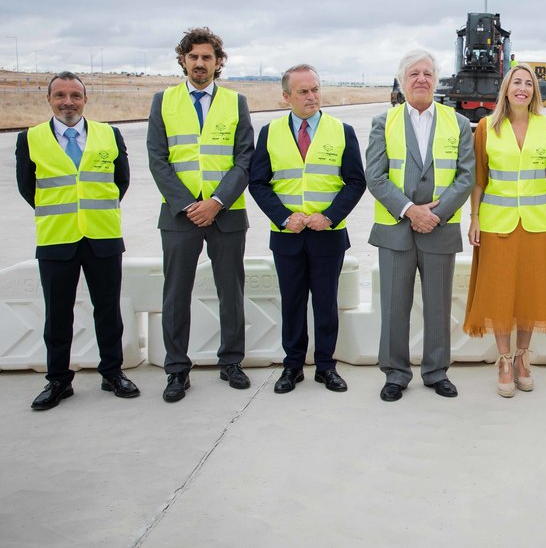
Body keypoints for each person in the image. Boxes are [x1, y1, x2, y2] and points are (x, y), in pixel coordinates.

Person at [16, 72, 139, 410]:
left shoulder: (108, 134)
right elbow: (28, 187)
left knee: (108, 310)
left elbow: (121, 181)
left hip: (103, 236)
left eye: (74, 96)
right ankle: (58, 380)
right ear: (49, 100)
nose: (67, 102)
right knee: (57, 314)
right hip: (57, 239)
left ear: (85, 100)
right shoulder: (31, 138)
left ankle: (112, 372)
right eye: (60, 96)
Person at [147, 27, 254, 403]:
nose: (200, 63)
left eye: (207, 57)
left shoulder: (235, 102)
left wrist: (217, 202)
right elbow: (157, 159)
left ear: (218, 62)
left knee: (231, 291)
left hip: (225, 214)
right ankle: (176, 370)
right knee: (176, 294)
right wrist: (188, 204)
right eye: (193, 57)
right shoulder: (163, 101)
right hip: (180, 216)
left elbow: (245, 158)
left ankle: (231, 362)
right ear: (183, 61)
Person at [249, 64, 366, 394]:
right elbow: (258, 182)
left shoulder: (341, 130)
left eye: (315, 89)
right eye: (303, 91)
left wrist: (329, 215)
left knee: (326, 304)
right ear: (287, 96)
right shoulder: (269, 132)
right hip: (287, 237)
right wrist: (284, 217)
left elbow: (356, 181)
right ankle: (293, 366)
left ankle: (326, 366)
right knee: (292, 303)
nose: (312, 96)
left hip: (328, 235)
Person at [365, 49, 474, 402]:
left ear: (436, 79)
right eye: (414, 74)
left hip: (439, 230)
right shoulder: (385, 122)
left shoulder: (456, 122)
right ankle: (395, 373)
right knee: (395, 306)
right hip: (396, 230)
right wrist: (411, 210)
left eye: (427, 73)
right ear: (402, 81)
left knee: (439, 305)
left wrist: (435, 215)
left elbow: (466, 175)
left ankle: (436, 371)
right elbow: (375, 177)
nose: (421, 80)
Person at [463, 64, 546, 397]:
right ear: (505, 89)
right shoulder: (485, 127)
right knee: (499, 293)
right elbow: (479, 179)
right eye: (516, 83)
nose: (522, 88)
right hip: (498, 224)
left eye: (528, 84)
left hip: (537, 224)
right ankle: (505, 360)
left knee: (529, 292)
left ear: (535, 91)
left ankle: (524, 358)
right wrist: (474, 218)